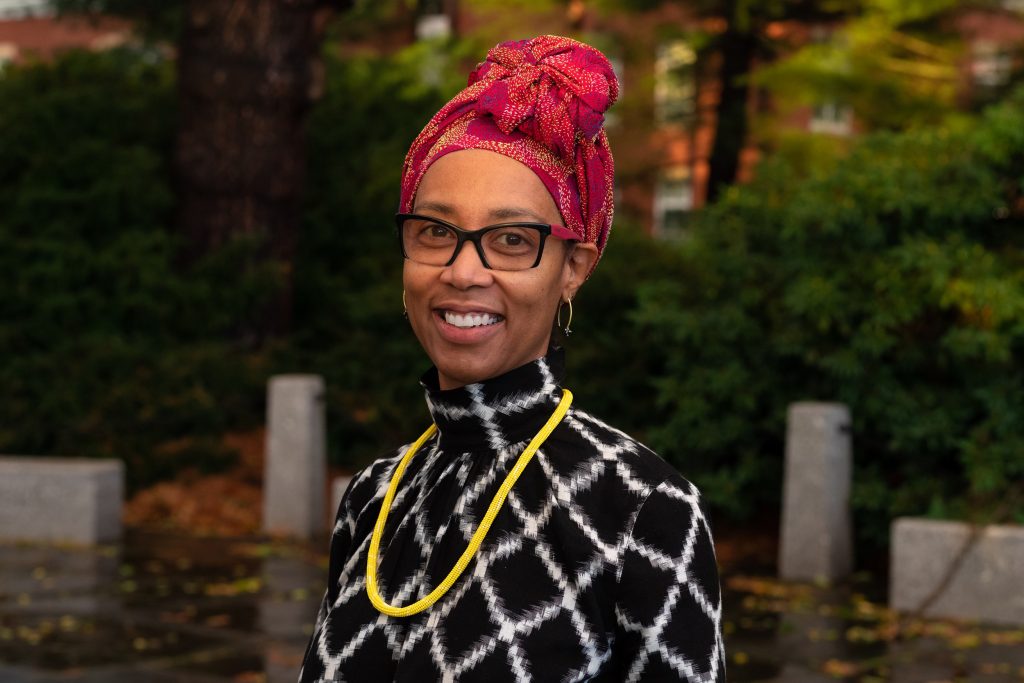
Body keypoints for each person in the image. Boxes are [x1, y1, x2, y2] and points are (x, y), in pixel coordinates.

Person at [298, 35, 724, 682]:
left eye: (511, 240)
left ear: (573, 267)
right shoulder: (374, 495)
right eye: (436, 231)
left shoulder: (642, 507)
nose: (464, 271)